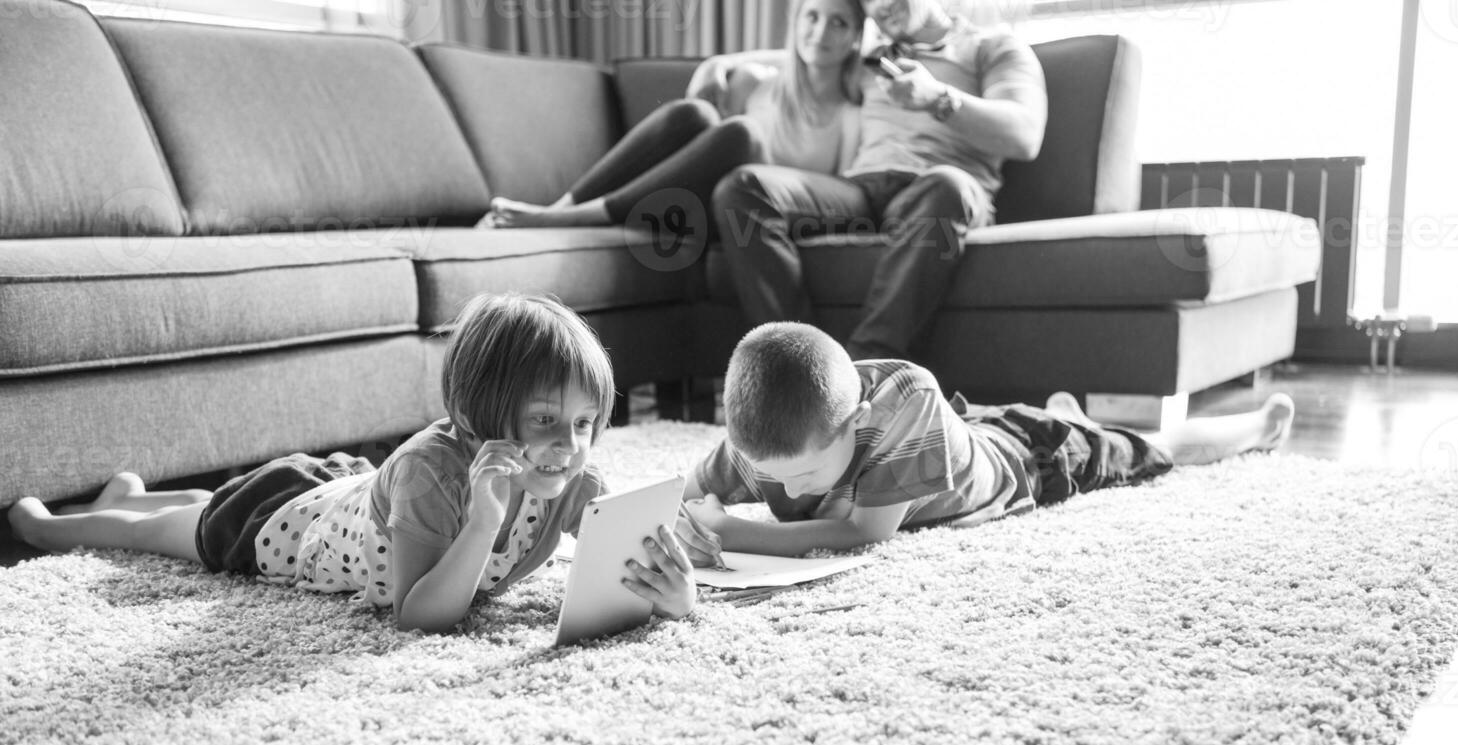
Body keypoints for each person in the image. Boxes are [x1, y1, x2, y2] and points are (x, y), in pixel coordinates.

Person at [7, 294, 698, 634]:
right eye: (545, 422)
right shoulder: (437, 477)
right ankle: (54, 527)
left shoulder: (576, 477)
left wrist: (675, 594)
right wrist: (484, 519)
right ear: (481, 413)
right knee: (169, 531)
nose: (569, 447)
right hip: (280, 521)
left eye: (582, 424)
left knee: (195, 502)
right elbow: (420, 614)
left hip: (350, 488)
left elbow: (626, 566)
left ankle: (133, 491)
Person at [677, 322, 1295, 560]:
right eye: (765, 474)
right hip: (968, 434)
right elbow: (683, 492)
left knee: (1149, 448)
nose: (783, 491)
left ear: (857, 420)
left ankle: (1256, 427)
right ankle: (1066, 409)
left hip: (1035, 457)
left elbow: (864, 533)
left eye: (803, 477)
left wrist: (733, 532)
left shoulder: (906, 403)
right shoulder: (759, 436)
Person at [710, 0, 1048, 360]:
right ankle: (803, 365)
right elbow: (802, 54)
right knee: (743, 188)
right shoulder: (872, 58)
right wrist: (721, 63)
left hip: (940, 191)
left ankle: (866, 371)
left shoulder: (993, 47)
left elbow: (1024, 135)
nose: (882, 4)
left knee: (947, 185)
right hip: (860, 190)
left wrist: (937, 98)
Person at [482, 0, 866, 230]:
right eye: (812, 16)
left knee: (744, 136)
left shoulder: (852, 112)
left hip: (743, 219)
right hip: (679, 200)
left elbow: (834, 197)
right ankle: (562, 208)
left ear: (856, 38)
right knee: (695, 114)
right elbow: (701, 152)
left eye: (839, 22)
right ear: (796, 21)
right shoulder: (755, 81)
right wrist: (720, 62)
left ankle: (575, 219)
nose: (821, 31)